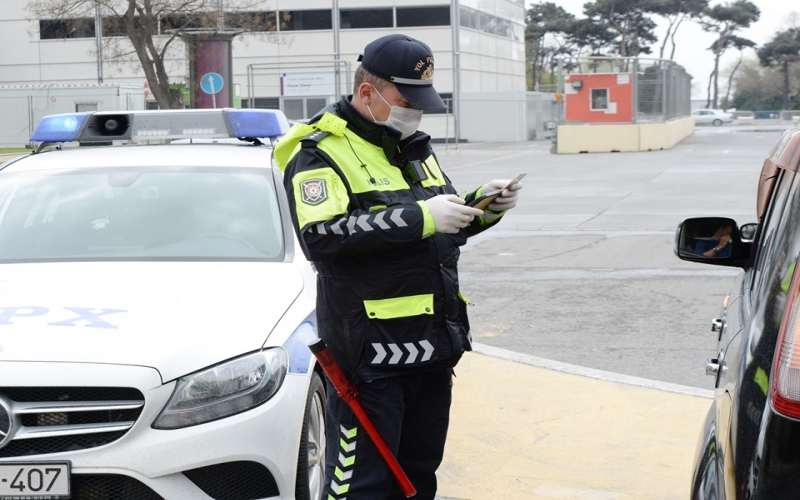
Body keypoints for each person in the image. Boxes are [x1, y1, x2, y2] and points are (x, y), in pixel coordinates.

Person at [273, 34, 523, 500]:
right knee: (362, 487)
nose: (417, 114)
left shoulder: (410, 147)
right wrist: (423, 217)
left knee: (417, 479)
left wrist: (483, 207)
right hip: (371, 359)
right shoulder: (319, 152)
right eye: (408, 102)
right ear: (368, 93)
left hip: (432, 347)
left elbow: (439, 232)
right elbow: (321, 238)